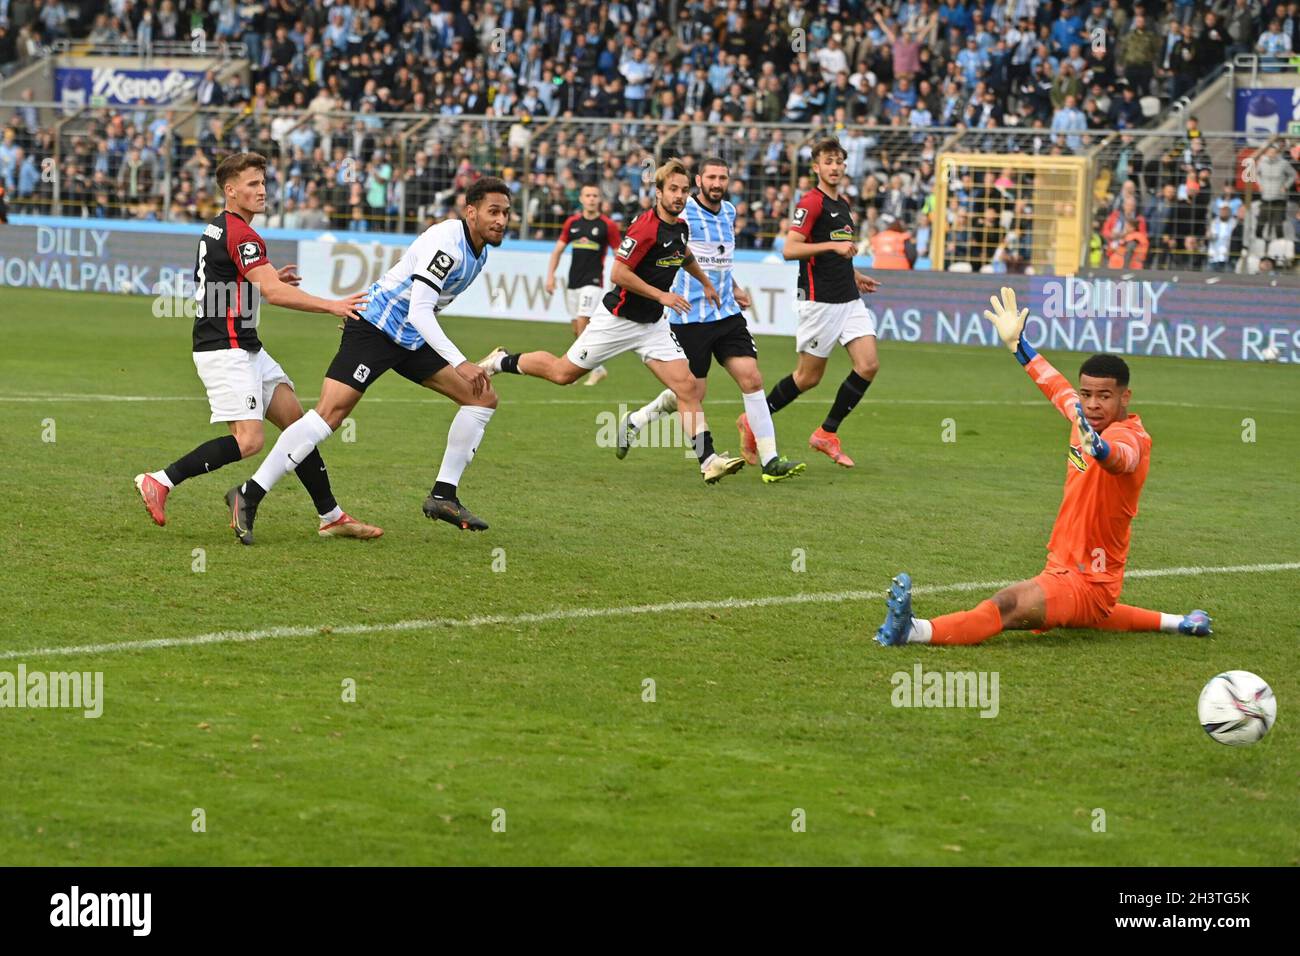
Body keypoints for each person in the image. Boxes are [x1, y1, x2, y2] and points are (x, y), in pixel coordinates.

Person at [875, 287, 1212, 647]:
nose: (1093, 404)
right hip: (1065, 568)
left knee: (1008, 605)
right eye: (1087, 394)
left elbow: (1121, 458)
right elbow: (1054, 385)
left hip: (1088, 581)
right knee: (1095, 614)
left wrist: (1098, 447)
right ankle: (1181, 623)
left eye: (1105, 396)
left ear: (1125, 397)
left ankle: (913, 631)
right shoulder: (1083, 416)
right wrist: (1018, 345)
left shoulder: (1132, 437)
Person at [222, 177, 513, 541]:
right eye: (493, 212)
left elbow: (421, 315)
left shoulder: (480, 251)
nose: (501, 220)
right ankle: (248, 494)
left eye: (505, 213)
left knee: (481, 398)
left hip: (409, 337)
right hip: (375, 327)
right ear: (471, 212)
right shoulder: (448, 245)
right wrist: (459, 361)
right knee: (328, 416)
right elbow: (421, 310)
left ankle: (443, 495)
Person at [134, 152, 380, 541]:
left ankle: (331, 516)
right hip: (225, 350)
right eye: (252, 184)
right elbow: (274, 294)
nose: (262, 190)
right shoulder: (242, 234)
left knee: (299, 428)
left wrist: (260, 281)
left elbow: (225, 284)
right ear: (231, 191)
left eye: (263, 182)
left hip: (244, 345)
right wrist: (331, 304)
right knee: (249, 441)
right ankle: (160, 480)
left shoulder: (219, 228)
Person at [480, 159, 748, 484]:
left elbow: (683, 254)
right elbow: (619, 273)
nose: (679, 196)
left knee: (687, 386)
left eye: (684, 190)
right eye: (673, 189)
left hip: (652, 326)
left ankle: (708, 461)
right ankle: (500, 361)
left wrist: (705, 282)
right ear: (659, 191)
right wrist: (662, 295)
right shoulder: (645, 227)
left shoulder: (680, 226)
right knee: (562, 373)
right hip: (618, 320)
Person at [615, 157, 806, 483]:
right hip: (689, 318)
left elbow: (721, 261)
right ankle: (635, 420)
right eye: (711, 177)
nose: (717, 183)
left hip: (726, 313)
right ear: (699, 181)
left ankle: (770, 461)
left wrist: (733, 287)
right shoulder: (681, 211)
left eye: (723, 178)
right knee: (691, 394)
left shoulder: (729, 212)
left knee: (752, 378)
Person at [763, 138, 881, 469]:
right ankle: (755, 417)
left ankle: (826, 433)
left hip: (848, 297)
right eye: (828, 161)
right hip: (820, 301)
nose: (835, 166)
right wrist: (831, 247)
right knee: (808, 377)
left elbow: (837, 252)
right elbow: (790, 249)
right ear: (816, 167)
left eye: (839, 161)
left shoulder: (842, 205)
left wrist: (854, 273)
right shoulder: (811, 203)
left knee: (868, 364)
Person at [544, 183, 620, 386]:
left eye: (595, 195)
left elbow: (619, 254)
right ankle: (589, 368)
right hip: (573, 282)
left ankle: (590, 369)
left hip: (593, 281)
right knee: (576, 328)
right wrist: (550, 276)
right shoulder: (572, 223)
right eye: (588, 195)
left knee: (583, 321)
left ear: (600, 199)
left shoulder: (607, 225)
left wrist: (618, 279)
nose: (592, 198)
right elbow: (558, 250)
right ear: (581, 198)